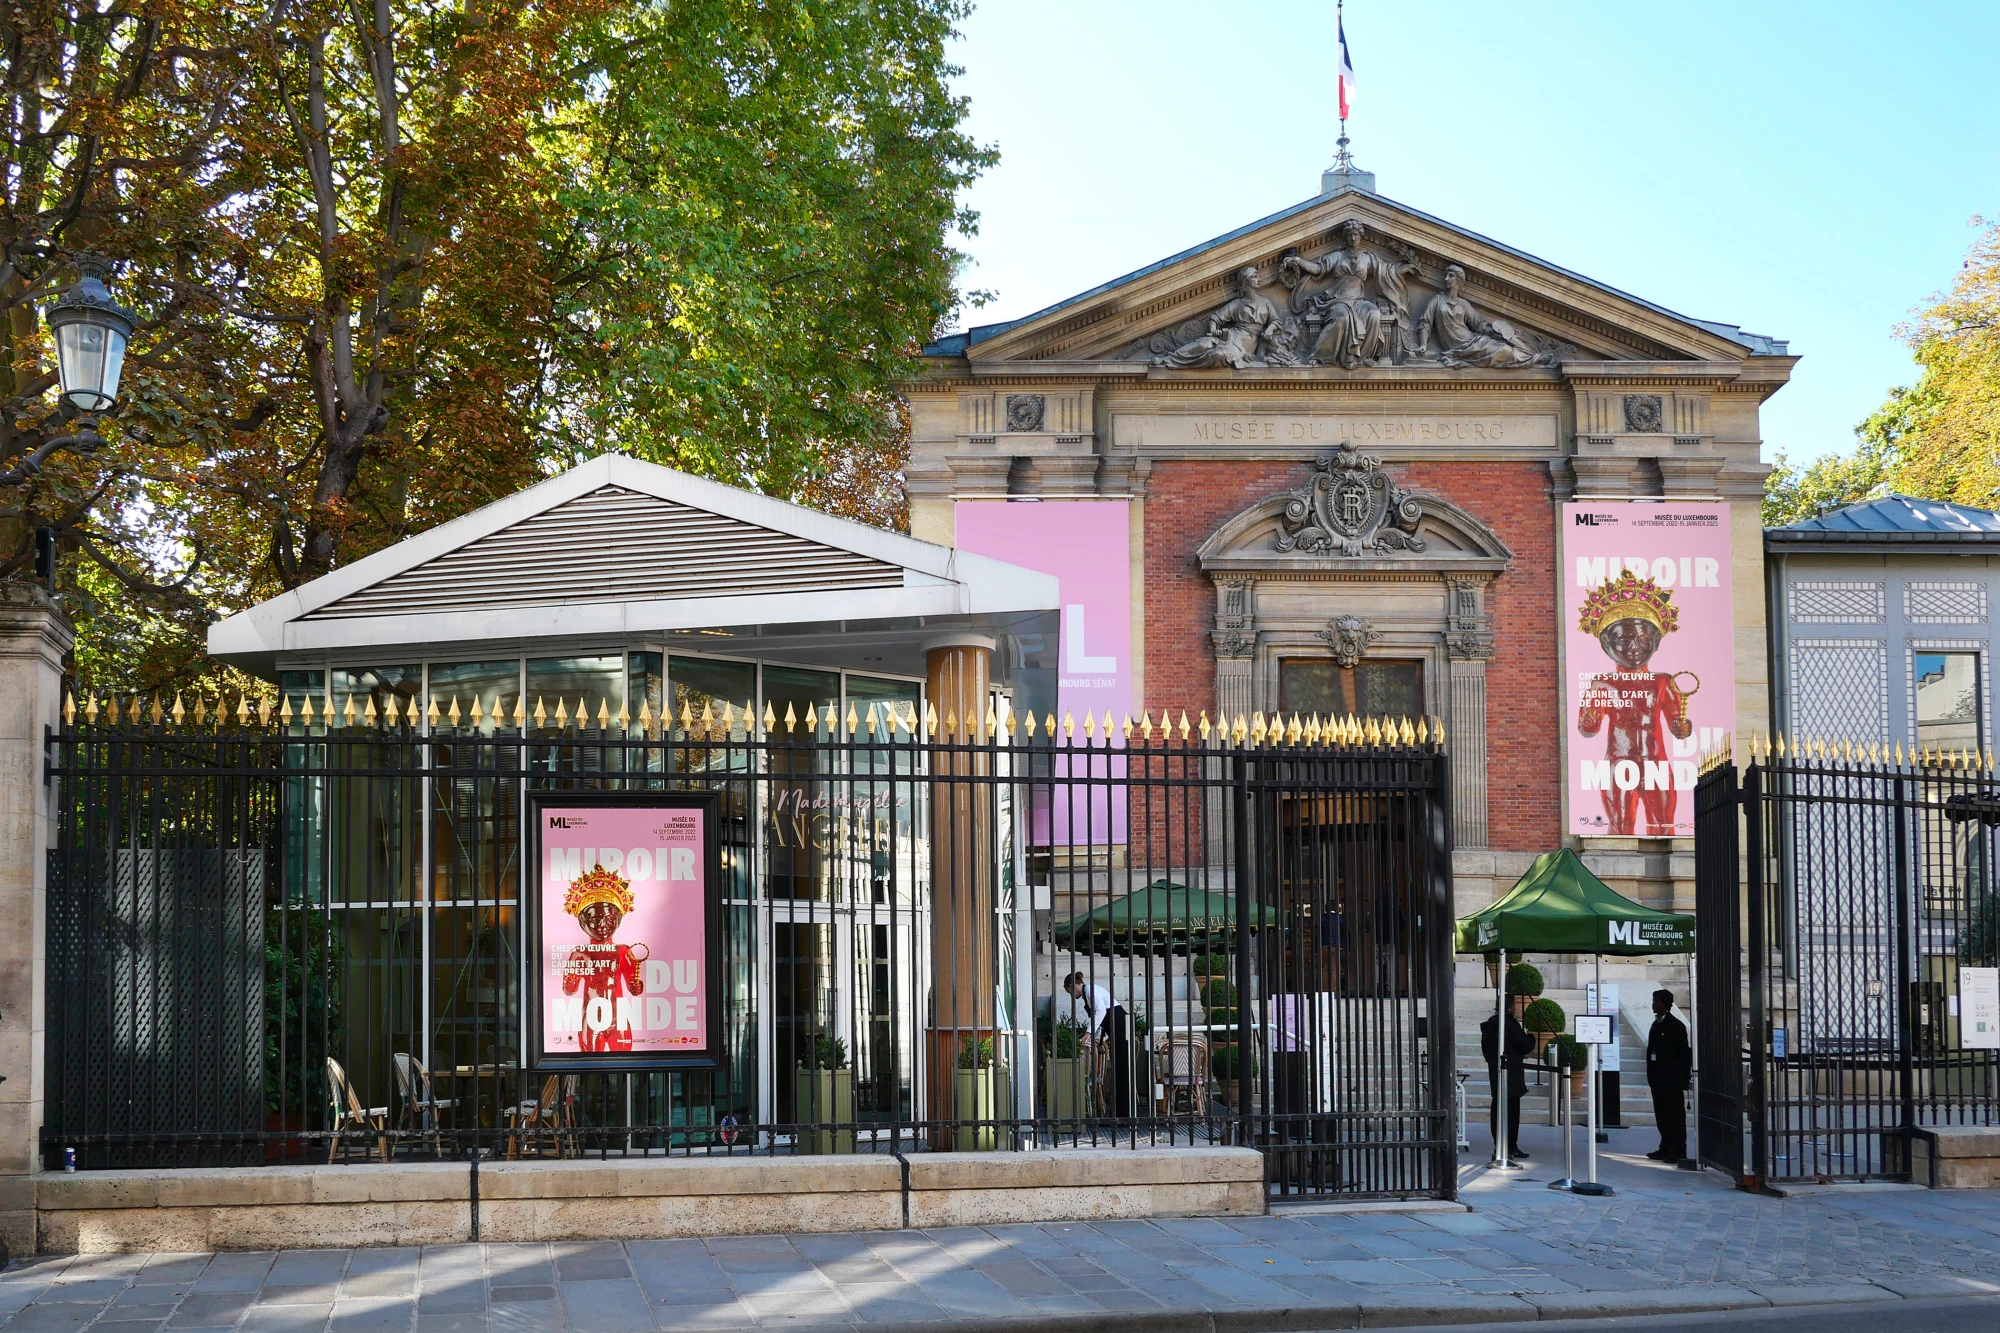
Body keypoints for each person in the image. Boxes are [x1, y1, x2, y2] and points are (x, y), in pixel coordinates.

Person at [1575, 570, 1695, 836]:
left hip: (1656, 764)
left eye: (1641, 640)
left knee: (1664, 828)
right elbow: (1588, 729)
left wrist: (1683, 727)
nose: (1633, 648)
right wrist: (1588, 720)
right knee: (1619, 829)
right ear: (1607, 645)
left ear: (1654, 643)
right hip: (1618, 764)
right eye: (1623, 640)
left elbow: (1678, 725)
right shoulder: (1602, 684)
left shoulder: (1663, 682)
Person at [560, 863, 648, 1052]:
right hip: (590, 1018)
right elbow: (569, 990)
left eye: (608, 919)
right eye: (595, 919)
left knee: (624, 1068)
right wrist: (569, 981)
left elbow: (634, 987)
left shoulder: (623, 951)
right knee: (590, 1068)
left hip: (618, 1018)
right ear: (583, 922)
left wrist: (637, 986)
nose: (602, 925)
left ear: (617, 920)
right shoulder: (579, 954)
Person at [1480, 992, 1535, 1159]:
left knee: (1497, 1107)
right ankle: (1511, 1146)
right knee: (1511, 1110)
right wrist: (1531, 1037)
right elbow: (1524, 1045)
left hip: (1496, 1071)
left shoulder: (1491, 1025)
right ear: (1510, 1007)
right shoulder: (1510, 1024)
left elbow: (1486, 1051)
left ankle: (1499, 1145)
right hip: (1511, 1073)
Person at [1646, 988, 1692, 1161]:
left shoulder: (1675, 1026)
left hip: (1672, 1080)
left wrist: (1683, 1077)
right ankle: (1664, 1146)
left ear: (1665, 1004)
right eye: (1654, 1001)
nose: (1654, 1004)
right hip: (1658, 1079)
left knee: (1675, 1116)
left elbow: (1684, 1053)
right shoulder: (1656, 1024)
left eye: (1657, 1001)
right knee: (1662, 1114)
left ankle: (1678, 1149)